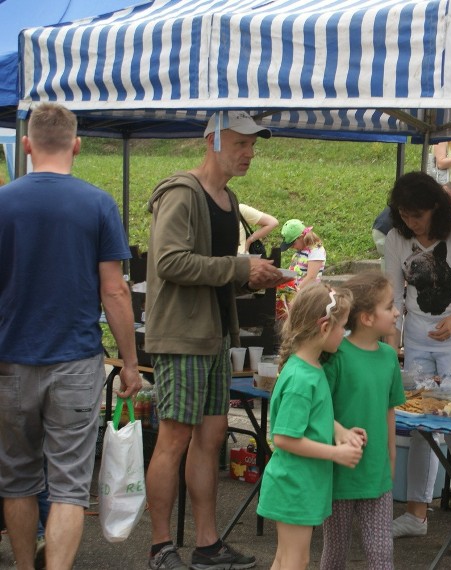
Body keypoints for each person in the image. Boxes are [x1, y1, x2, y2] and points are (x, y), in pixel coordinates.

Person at [0, 102, 142, 570]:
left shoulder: (3, 203)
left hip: (10, 363)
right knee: (68, 487)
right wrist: (129, 360)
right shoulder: (97, 203)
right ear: (77, 145)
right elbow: (115, 291)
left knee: (17, 481)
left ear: (26, 145)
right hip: (76, 363)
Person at [144, 110, 285, 570]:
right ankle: (161, 546)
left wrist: (254, 278)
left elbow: (217, 269)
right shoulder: (182, 193)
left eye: (252, 146)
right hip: (181, 335)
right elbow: (170, 262)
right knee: (174, 438)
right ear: (212, 141)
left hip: (212, 335)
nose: (248, 153)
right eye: (240, 143)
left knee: (211, 436)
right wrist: (241, 269)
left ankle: (207, 544)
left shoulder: (228, 198)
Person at [385, 172, 451, 553]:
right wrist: (388, 347)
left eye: (417, 215)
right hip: (416, 337)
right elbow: (392, 297)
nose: (411, 222)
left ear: (435, 208)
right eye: (404, 214)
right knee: (418, 426)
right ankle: (416, 513)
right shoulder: (398, 238)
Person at [257, 282, 365, 570]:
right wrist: (336, 454)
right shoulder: (301, 379)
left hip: (301, 484)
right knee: (296, 560)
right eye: (342, 326)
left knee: (286, 559)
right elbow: (284, 438)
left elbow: (312, 418)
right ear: (324, 326)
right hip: (295, 486)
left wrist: (339, 432)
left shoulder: (309, 367)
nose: (345, 333)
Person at [320, 273, 405, 570]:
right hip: (339, 474)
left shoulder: (388, 356)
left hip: (376, 474)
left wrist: (392, 458)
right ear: (367, 318)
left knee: (382, 557)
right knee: (334, 555)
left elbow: (388, 410)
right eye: (390, 306)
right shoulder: (335, 356)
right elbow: (320, 410)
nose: (396, 312)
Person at [276, 219, 327, 320]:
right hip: (296, 292)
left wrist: (295, 293)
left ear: (301, 237)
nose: (292, 248)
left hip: (308, 294)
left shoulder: (316, 250)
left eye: (293, 244)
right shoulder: (300, 250)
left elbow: (311, 277)